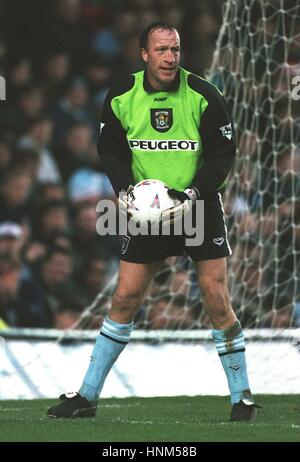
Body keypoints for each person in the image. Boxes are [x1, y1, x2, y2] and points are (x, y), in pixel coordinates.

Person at [47, 21, 260, 422]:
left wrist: (194, 192)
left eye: (175, 49)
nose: (170, 57)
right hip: (147, 212)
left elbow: (221, 154)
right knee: (125, 298)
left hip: (196, 205)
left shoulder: (202, 94)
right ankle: (87, 396)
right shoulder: (123, 96)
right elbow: (110, 150)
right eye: (161, 50)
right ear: (144, 54)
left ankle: (242, 398)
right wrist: (126, 190)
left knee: (216, 297)